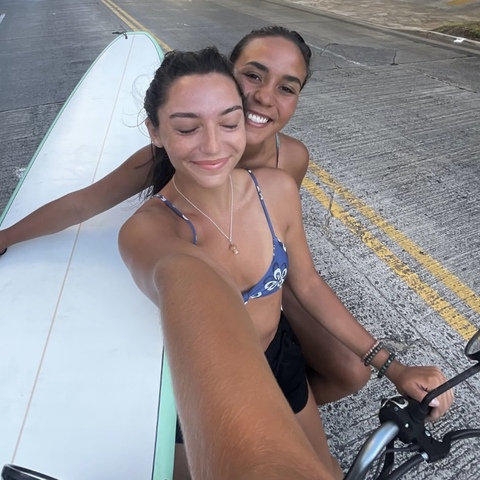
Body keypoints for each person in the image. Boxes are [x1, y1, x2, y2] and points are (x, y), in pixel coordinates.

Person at [118, 46, 453, 479]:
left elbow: (308, 284)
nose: (213, 145)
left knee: (328, 470)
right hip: (200, 386)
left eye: (229, 123)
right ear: (156, 132)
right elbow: (184, 280)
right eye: (187, 128)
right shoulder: (148, 231)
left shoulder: (276, 189)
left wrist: (394, 367)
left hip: (277, 357)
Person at [0, 26, 371, 407]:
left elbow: (288, 248)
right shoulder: (172, 158)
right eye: (253, 76)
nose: (264, 96)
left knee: (354, 372)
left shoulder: (291, 159)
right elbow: (84, 203)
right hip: (217, 301)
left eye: (286, 88)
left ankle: (284, 406)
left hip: (273, 283)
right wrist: (7, 236)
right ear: (226, 75)